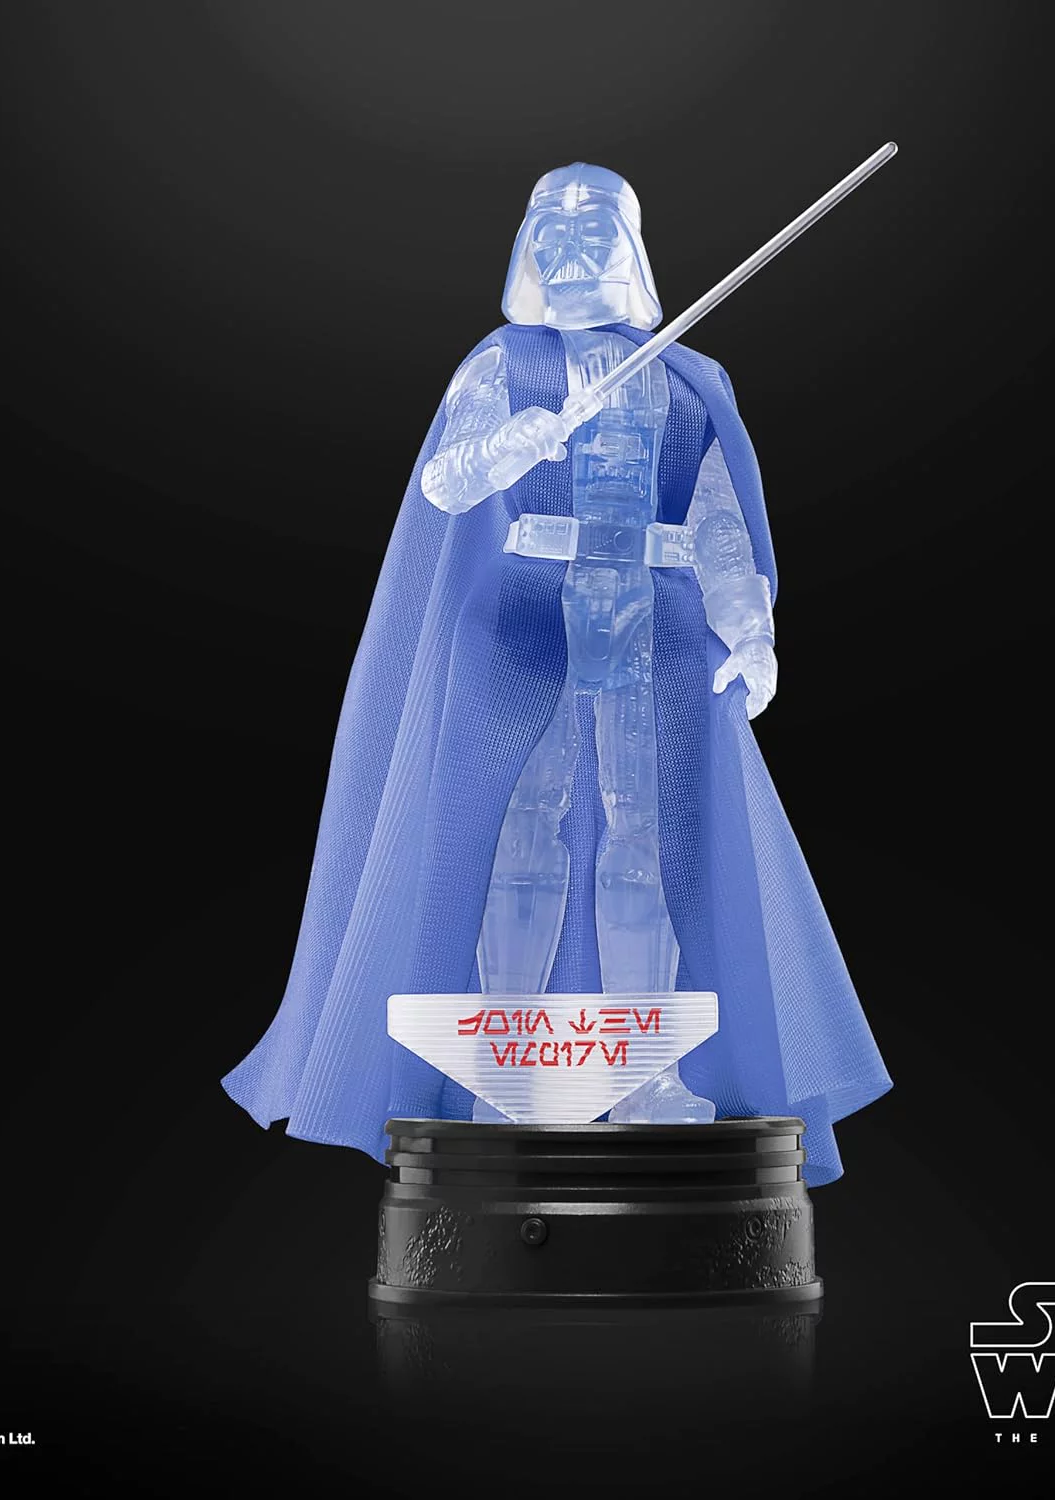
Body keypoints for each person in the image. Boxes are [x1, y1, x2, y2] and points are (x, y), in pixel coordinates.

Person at [223, 163, 890, 1184]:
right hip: (527, 622)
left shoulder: (688, 379)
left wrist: (749, 631)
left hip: (658, 634)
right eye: (554, 240)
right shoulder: (503, 364)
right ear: (528, 253)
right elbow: (448, 481)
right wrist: (510, 445)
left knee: (644, 844)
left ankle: (642, 1071)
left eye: (593, 239)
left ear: (629, 252)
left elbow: (718, 526)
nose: (573, 258)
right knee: (518, 839)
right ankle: (510, 1067)